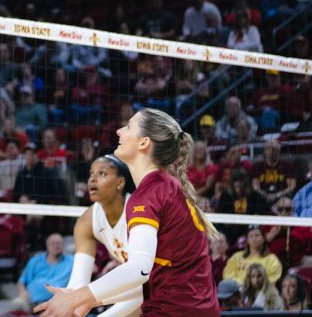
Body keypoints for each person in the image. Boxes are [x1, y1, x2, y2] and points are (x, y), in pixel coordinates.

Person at [33, 108, 218, 317]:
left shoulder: (148, 195)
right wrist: (88, 299)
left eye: (129, 126)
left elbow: (139, 270)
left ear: (144, 143)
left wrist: (78, 298)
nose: (119, 131)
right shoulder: (167, 186)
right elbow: (155, 278)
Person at [65, 155, 141, 317]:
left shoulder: (140, 212)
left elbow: (148, 278)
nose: (92, 180)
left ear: (120, 183)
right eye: (91, 174)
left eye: (102, 174)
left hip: (176, 285)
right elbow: (78, 284)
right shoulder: (86, 222)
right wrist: (66, 303)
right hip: (143, 289)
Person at [15, 234, 72, 311]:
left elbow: (91, 268)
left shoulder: (71, 260)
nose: (56, 246)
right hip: (33, 302)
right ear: (47, 247)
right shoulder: (35, 260)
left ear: (63, 245)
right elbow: (22, 282)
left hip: (59, 303)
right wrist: (23, 294)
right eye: (53, 244)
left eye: (59, 243)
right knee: (16, 304)